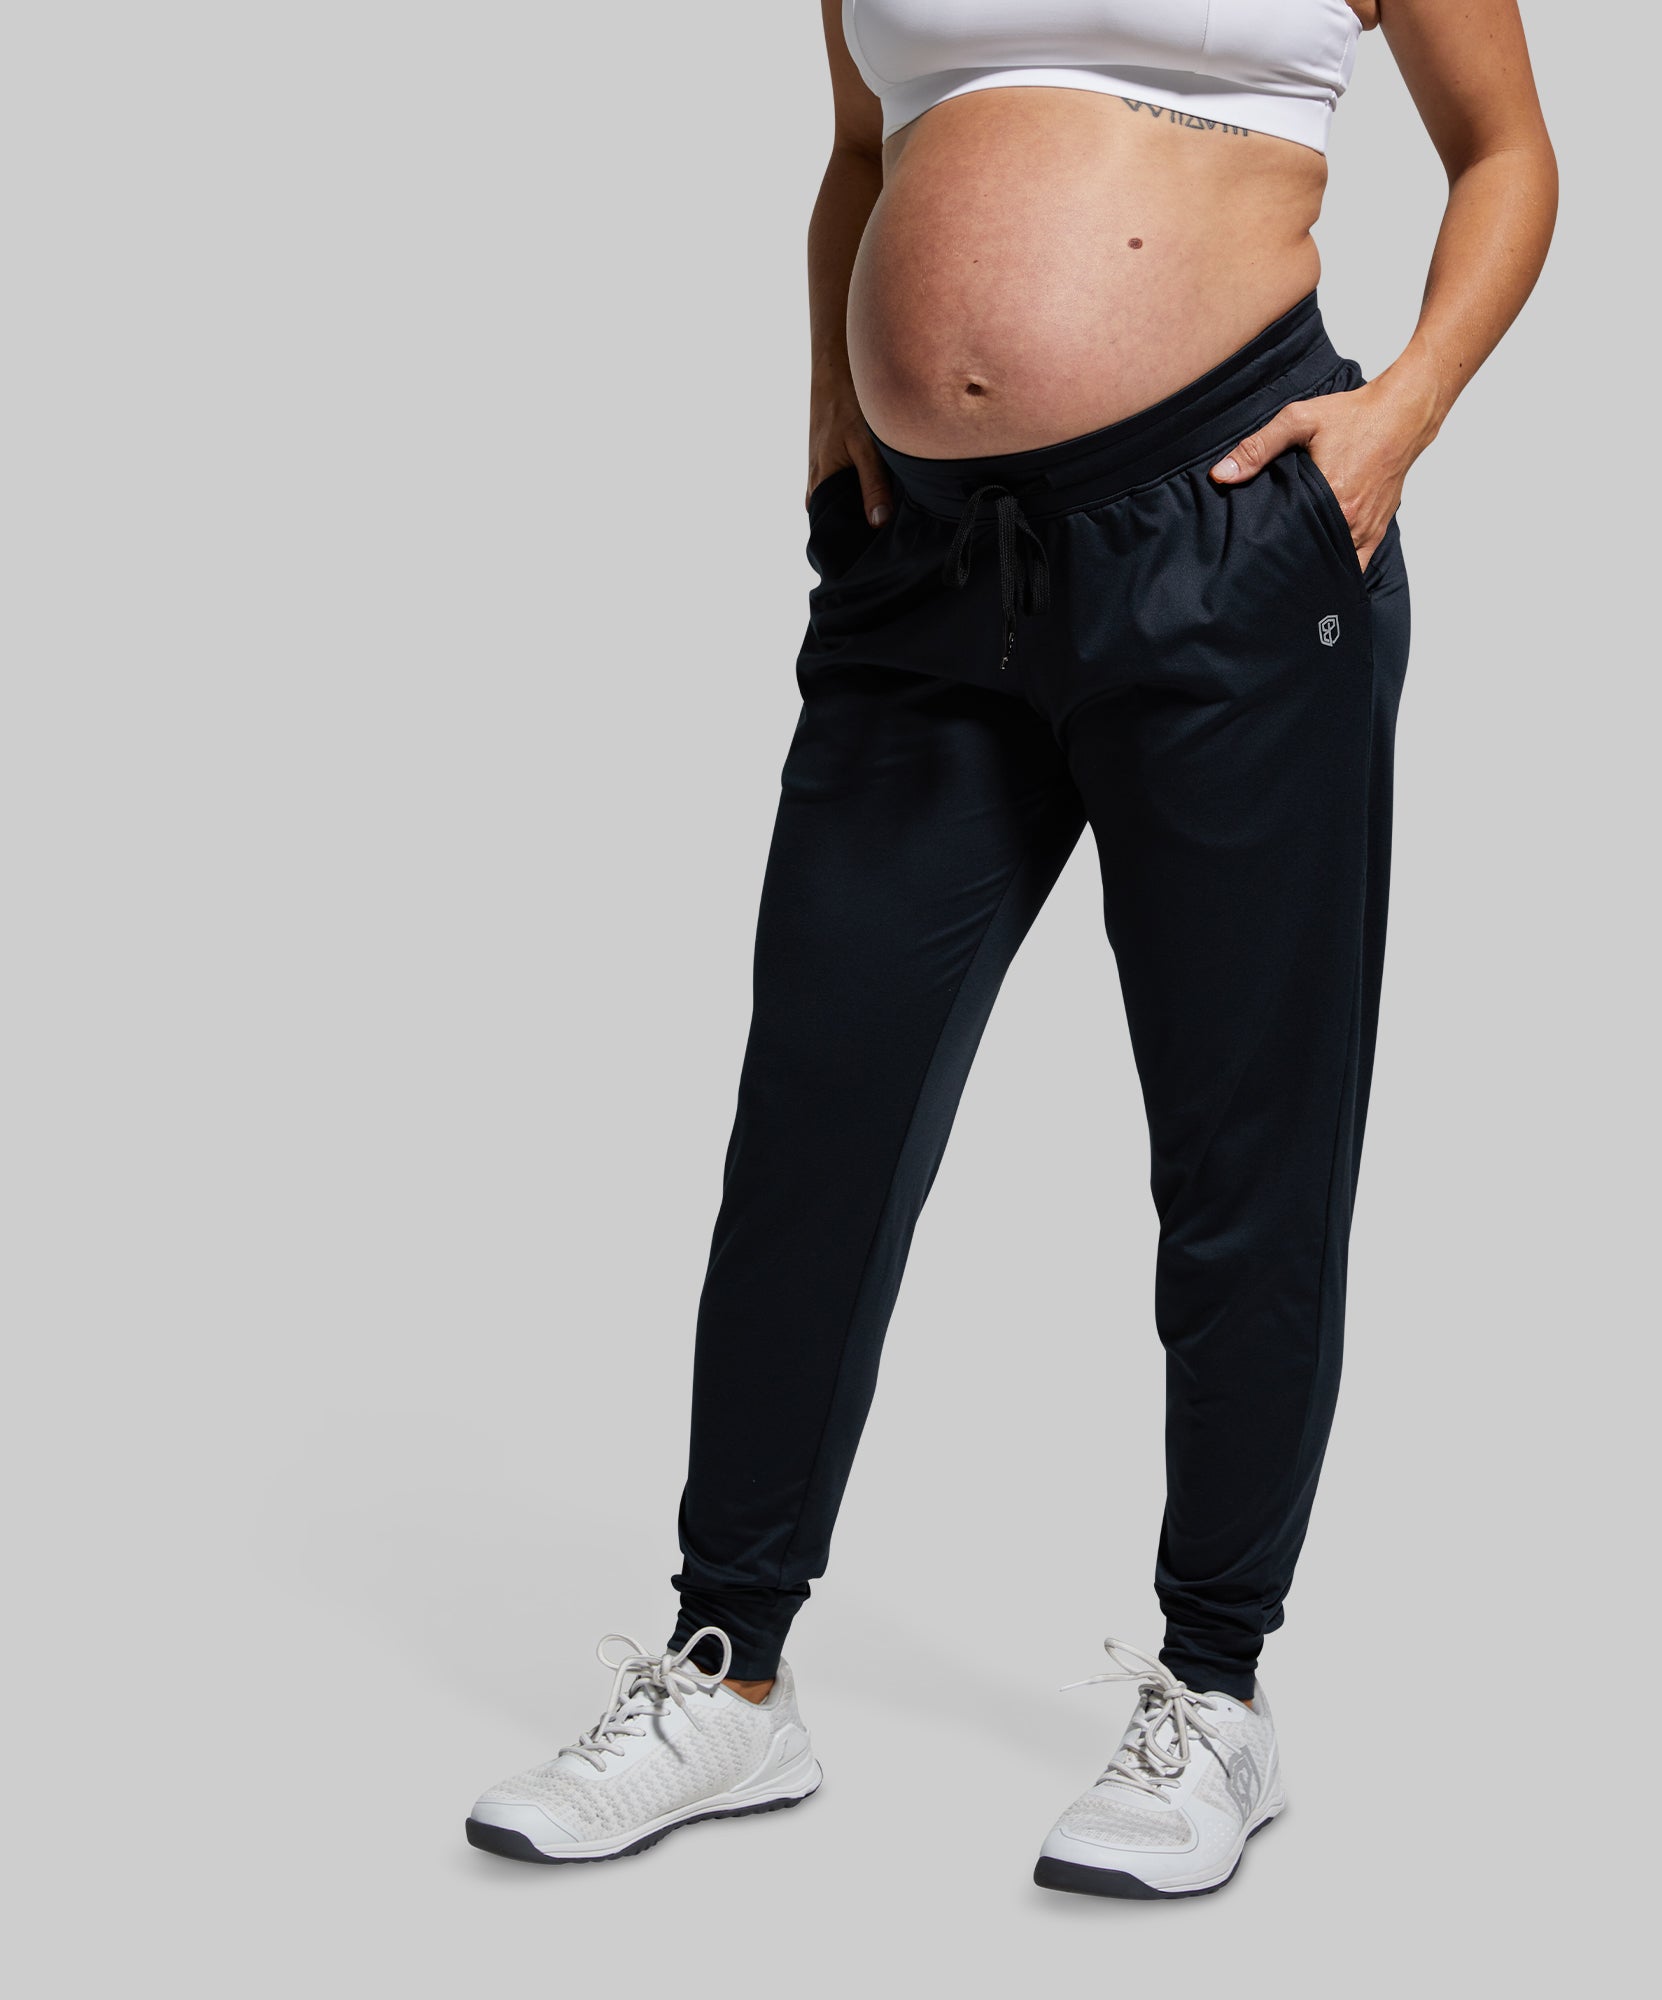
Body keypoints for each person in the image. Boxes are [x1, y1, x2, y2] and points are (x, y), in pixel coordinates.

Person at [466, 0, 1556, 1897]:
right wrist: (833, 425)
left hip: (1229, 536)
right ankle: (729, 1675)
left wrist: (1400, 418)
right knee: (816, 1121)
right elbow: (862, 156)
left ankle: (1214, 1689)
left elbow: (1508, 154)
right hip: (923, 571)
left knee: (1243, 1149)